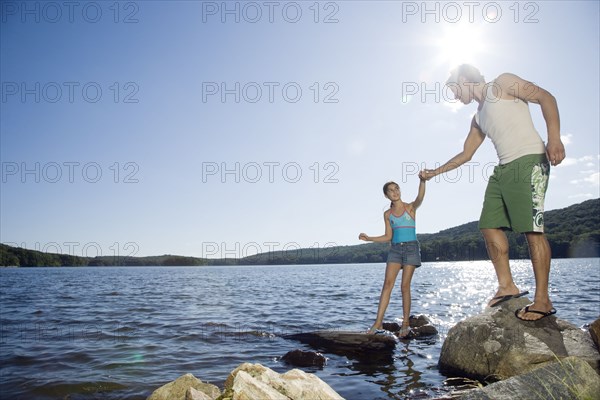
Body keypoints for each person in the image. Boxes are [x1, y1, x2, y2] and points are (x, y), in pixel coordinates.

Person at [420, 64, 565, 321]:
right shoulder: (477, 118)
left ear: (464, 80)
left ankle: (542, 300)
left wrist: (554, 138)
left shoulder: (503, 83)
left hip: (529, 159)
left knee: (533, 231)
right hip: (503, 169)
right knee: (488, 225)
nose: (454, 96)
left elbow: (546, 97)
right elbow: (466, 154)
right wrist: (434, 172)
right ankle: (507, 286)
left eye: (454, 89)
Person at [359, 175, 426, 337]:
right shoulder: (387, 214)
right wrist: (370, 239)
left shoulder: (410, 208)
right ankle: (378, 322)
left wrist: (422, 181)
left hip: (411, 248)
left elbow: (420, 197)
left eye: (396, 189)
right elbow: (388, 236)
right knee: (387, 285)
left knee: (404, 287)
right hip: (395, 249)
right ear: (386, 195)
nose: (394, 192)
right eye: (390, 190)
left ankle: (405, 323)